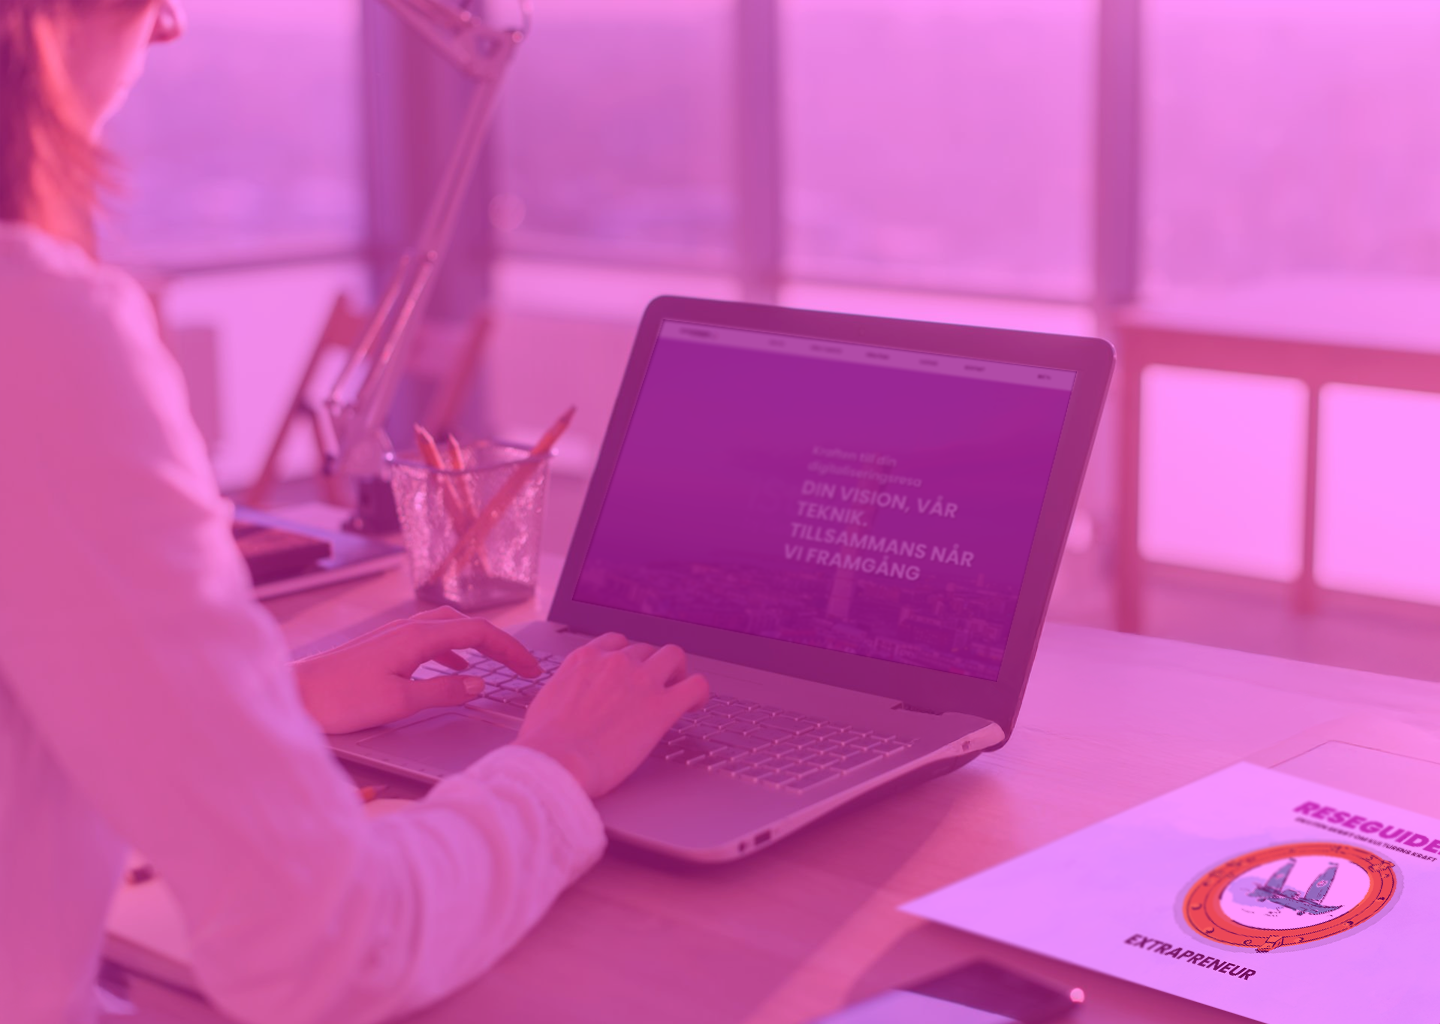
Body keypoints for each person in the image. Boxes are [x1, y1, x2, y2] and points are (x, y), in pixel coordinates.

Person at [0, 2, 709, 1022]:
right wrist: (559, 766)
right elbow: (329, 953)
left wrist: (264, 709)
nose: (169, 28)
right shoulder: (38, 337)